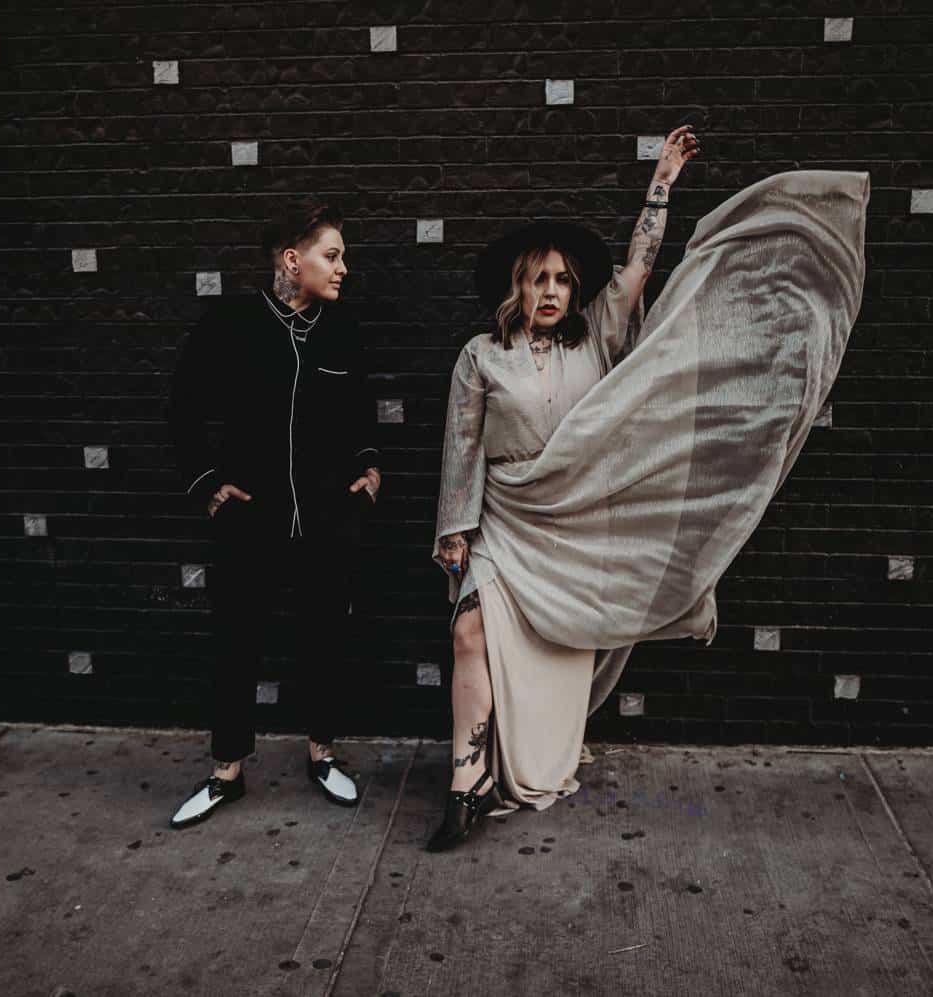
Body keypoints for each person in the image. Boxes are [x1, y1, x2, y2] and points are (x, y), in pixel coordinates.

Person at [428, 130, 871, 852]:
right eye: (538, 279)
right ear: (518, 285)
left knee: (550, 662)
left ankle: (509, 764)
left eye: (563, 280)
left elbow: (637, 268)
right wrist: (455, 528)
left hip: (570, 529)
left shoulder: (596, 339)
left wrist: (660, 183)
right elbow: (463, 446)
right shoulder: (480, 356)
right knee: (469, 629)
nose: (550, 292)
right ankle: (465, 783)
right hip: (504, 521)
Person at [167, 202, 382, 829]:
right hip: (250, 518)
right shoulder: (232, 322)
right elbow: (182, 407)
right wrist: (208, 483)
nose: (343, 268)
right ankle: (226, 772)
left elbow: (362, 413)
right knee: (236, 641)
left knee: (324, 636)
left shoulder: (343, 330)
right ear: (293, 259)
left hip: (324, 515)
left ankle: (322, 755)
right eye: (332, 255)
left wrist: (369, 471)